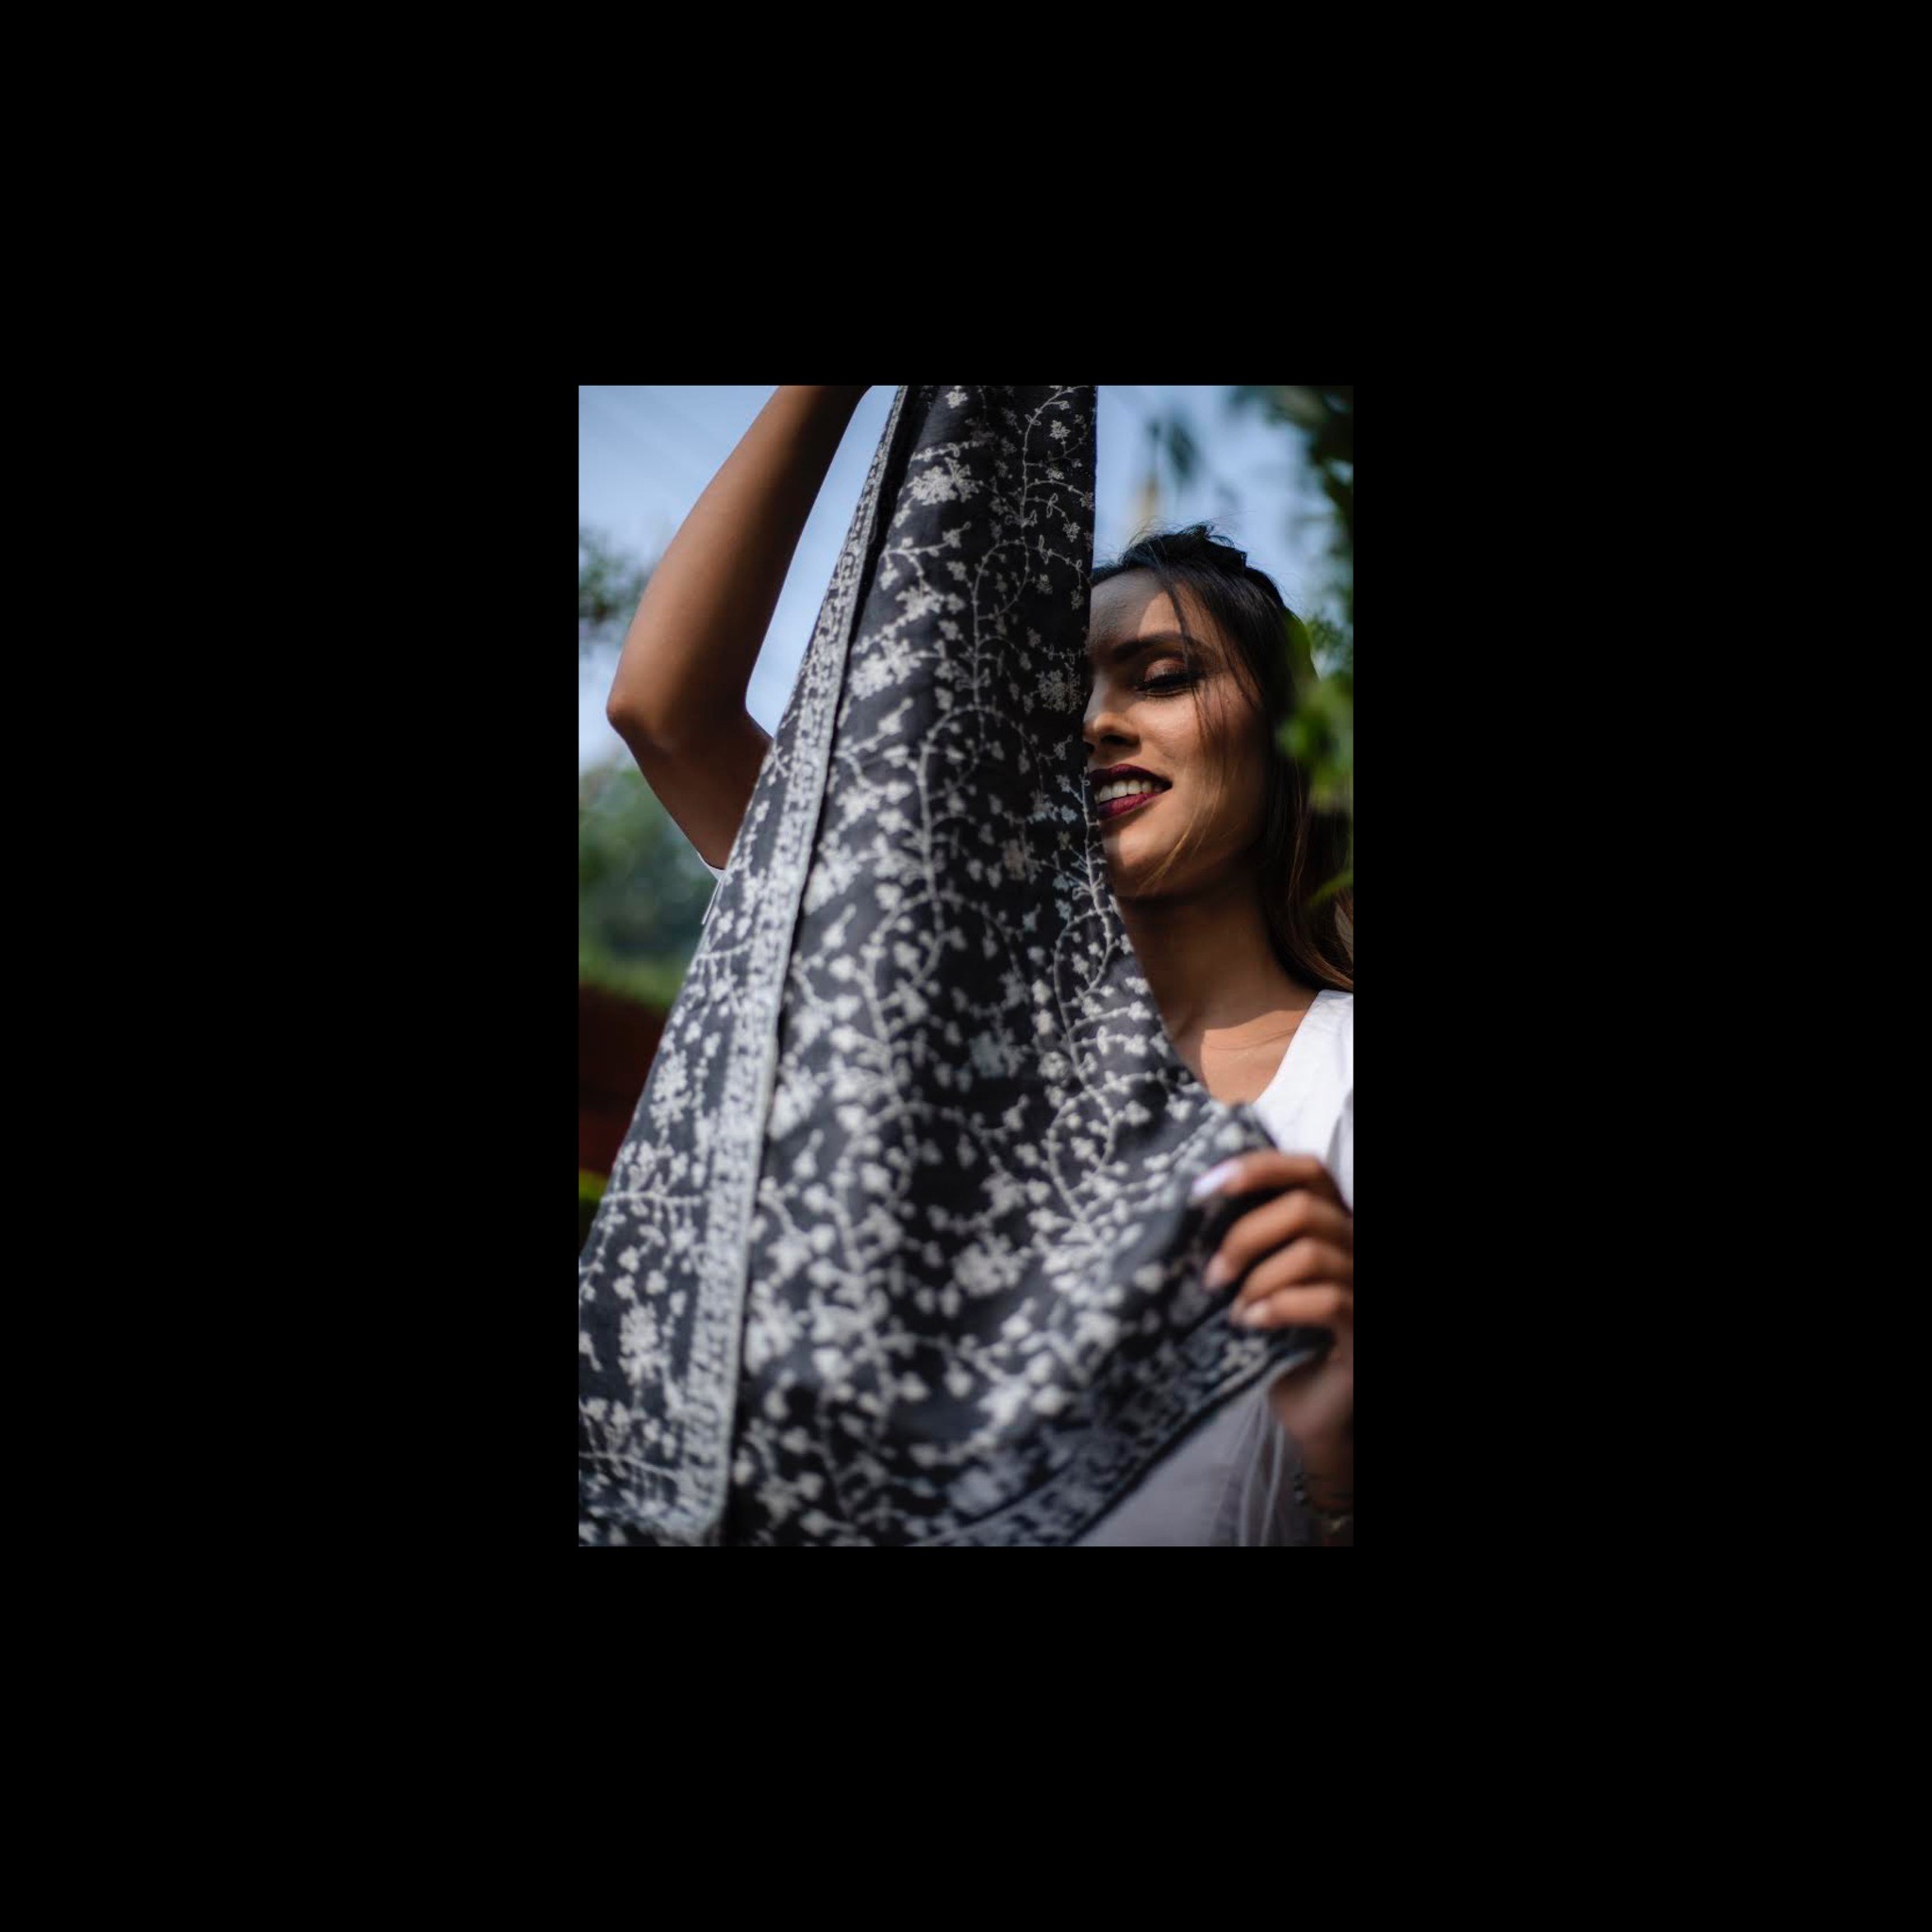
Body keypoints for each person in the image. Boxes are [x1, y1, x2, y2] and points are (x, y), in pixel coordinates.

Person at [604, 385, 1354, 1544]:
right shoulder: (910, 987)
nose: (1093, 722)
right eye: (1055, 692)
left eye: (1162, 677)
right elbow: (666, 712)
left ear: (1287, 740)